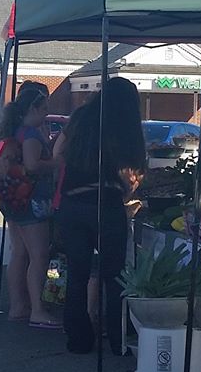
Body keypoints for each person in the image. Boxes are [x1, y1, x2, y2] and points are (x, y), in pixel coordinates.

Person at [53, 77, 146, 355]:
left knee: (77, 274)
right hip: (106, 202)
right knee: (114, 275)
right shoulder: (124, 123)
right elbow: (137, 167)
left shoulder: (82, 116)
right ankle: (117, 337)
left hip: (73, 201)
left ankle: (78, 338)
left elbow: (58, 152)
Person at [0, 88, 60, 328]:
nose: (47, 113)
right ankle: (37, 309)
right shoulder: (31, 134)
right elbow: (33, 166)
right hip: (33, 200)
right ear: (32, 109)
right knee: (39, 254)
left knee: (19, 253)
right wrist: (55, 162)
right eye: (44, 109)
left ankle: (18, 305)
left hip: (14, 198)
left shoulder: (15, 131)